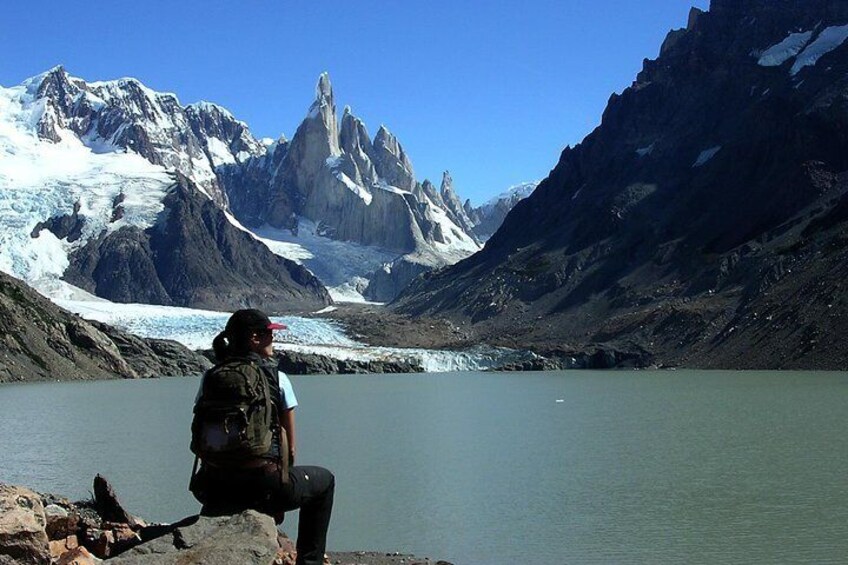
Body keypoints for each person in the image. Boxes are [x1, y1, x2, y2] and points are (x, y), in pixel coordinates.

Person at [190, 308, 334, 565]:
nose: (273, 339)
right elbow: (289, 447)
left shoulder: (211, 377)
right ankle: (310, 562)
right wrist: (278, 495)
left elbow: (201, 438)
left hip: (214, 485)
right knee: (325, 482)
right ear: (255, 338)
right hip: (263, 485)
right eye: (269, 334)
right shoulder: (277, 378)